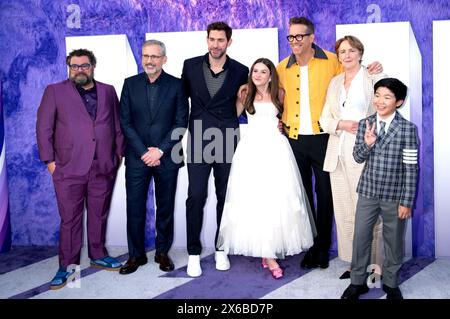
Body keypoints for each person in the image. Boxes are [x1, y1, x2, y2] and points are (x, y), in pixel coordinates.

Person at [276, 17, 382, 269]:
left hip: (325, 139)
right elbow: (274, 96)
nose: (295, 41)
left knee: (326, 194)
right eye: (291, 37)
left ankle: (323, 248)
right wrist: (276, 118)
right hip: (294, 141)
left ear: (312, 37)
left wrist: (372, 69)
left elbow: (352, 81)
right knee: (302, 195)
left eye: (300, 36)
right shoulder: (281, 68)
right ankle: (311, 246)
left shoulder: (332, 61)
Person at [217, 58, 315, 279]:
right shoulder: (245, 92)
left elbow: (289, 117)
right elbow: (233, 116)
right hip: (251, 150)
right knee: (255, 199)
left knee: (275, 199)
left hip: (276, 149)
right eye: (255, 71)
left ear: (270, 75)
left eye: (263, 71)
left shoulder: (280, 93)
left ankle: (268, 251)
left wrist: (282, 125)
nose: (258, 75)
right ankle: (267, 254)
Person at [36, 49, 125, 289]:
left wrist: (118, 155)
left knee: (98, 214)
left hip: (103, 166)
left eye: (84, 66)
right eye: (74, 66)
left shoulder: (108, 91)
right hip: (68, 168)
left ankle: (98, 255)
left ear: (93, 66)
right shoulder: (55, 91)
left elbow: (116, 124)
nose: (79, 70)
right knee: (70, 219)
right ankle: (67, 266)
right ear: (69, 68)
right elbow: (44, 129)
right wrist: (50, 162)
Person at [341, 78, 419, 300]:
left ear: (399, 102)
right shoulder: (366, 123)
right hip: (368, 191)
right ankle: (357, 282)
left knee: (393, 240)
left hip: (395, 196)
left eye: (387, 97)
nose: (380, 101)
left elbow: (411, 168)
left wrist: (407, 201)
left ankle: (391, 282)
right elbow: (357, 158)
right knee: (361, 237)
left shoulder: (407, 129)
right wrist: (367, 144)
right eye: (377, 95)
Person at [182, 21, 249, 277]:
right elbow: (180, 100)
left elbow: (244, 101)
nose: (216, 44)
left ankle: (221, 248)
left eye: (221, 40)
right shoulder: (190, 66)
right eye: (212, 39)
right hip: (198, 137)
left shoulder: (241, 70)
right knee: (196, 196)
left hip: (227, 138)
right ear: (206, 39)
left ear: (229, 42)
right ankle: (193, 253)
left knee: (225, 197)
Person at [118, 40, 189, 275]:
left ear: (164, 59)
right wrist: (144, 152)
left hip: (167, 157)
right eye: (146, 56)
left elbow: (181, 123)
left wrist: (159, 150)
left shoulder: (177, 86)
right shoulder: (129, 84)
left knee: (165, 207)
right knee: (135, 207)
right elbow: (125, 123)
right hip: (137, 158)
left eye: (155, 57)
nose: (149, 61)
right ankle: (135, 255)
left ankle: (162, 252)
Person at [319, 36, 386, 279]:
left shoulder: (372, 77)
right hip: (337, 153)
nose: (346, 55)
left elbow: (386, 109)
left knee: (369, 210)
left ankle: (377, 264)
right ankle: (353, 263)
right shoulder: (335, 82)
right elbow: (324, 120)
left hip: (365, 153)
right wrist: (342, 124)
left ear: (360, 52)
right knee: (345, 210)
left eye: (351, 50)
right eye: (342, 51)